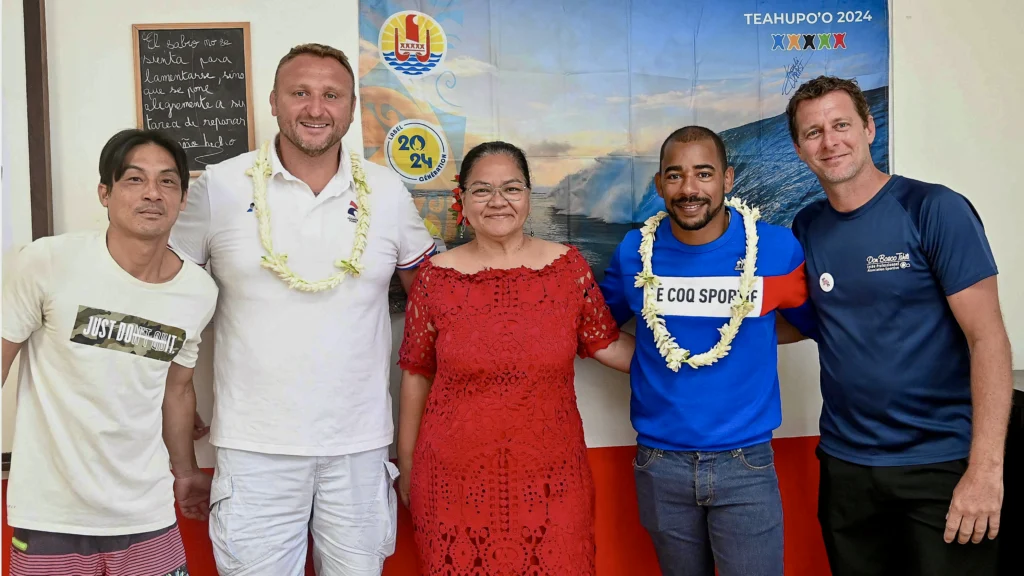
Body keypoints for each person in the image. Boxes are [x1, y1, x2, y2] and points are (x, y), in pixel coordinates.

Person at [168, 43, 436, 575]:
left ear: (352, 108)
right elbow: (169, 295)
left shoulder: (385, 190)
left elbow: (435, 306)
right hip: (253, 446)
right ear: (273, 101)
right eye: (300, 93)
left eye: (332, 95)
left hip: (360, 445)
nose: (316, 109)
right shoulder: (219, 187)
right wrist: (174, 399)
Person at [787, 75, 1014, 575]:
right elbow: (802, 319)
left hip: (940, 466)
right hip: (846, 467)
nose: (830, 141)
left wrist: (986, 470)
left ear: (870, 128)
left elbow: (988, 337)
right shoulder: (807, 226)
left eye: (841, 124)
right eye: (813, 132)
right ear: (799, 149)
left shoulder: (933, 209)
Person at [395, 141, 635, 576]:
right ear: (462, 199)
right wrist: (407, 466)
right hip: (452, 484)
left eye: (511, 187)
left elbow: (607, 344)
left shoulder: (568, 269)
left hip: (552, 482)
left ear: (528, 196)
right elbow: (416, 374)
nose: (498, 201)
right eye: (482, 190)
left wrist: (689, 361)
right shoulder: (435, 279)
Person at [598, 126, 816, 576]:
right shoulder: (633, 252)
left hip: (745, 464)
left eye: (704, 173)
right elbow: (598, 326)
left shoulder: (775, 249)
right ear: (659, 185)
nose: (689, 189)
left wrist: (746, 336)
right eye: (675, 176)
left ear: (727, 179)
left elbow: (810, 323)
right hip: (660, 465)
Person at [1, 129, 218, 576]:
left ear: (181, 198)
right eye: (134, 180)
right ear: (105, 192)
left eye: (168, 182)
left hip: (148, 512)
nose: (152, 194)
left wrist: (185, 472)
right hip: (50, 513)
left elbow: (176, 393)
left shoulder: (197, 291)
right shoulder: (47, 262)